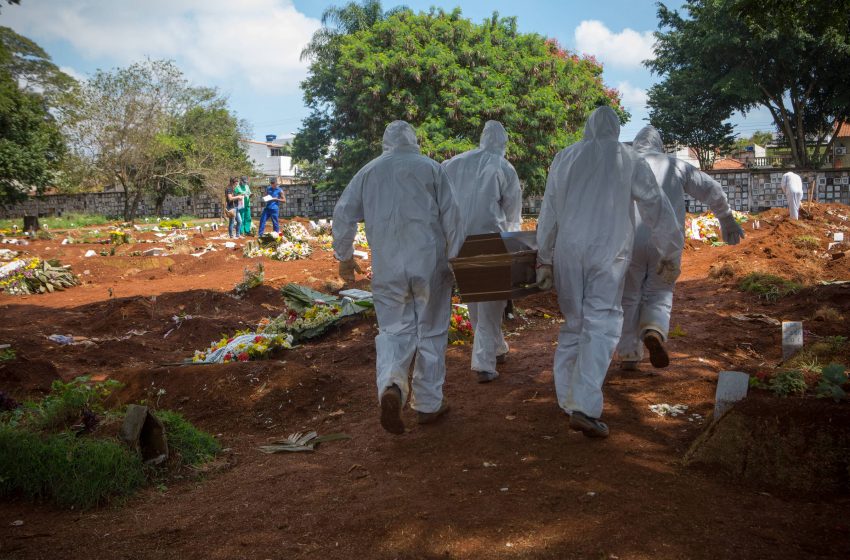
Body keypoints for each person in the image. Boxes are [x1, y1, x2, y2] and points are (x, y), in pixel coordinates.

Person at [535, 106, 682, 439]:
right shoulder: (628, 158)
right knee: (601, 324)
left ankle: (567, 400)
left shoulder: (565, 157)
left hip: (568, 253)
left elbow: (549, 210)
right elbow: (655, 206)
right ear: (616, 130)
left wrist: (543, 258)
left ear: (587, 127)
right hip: (609, 252)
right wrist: (670, 250)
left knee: (574, 323)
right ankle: (584, 406)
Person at [333, 120, 463, 435]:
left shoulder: (368, 172)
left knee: (393, 331)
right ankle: (429, 404)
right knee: (431, 330)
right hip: (429, 264)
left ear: (385, 141)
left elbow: (343, 213)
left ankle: (392, 386)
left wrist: (345, 257)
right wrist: (457, 259)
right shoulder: (431, 168)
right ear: (413, 140)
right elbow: (453, 217)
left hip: (388, 267)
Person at [617, 126, 745, 371]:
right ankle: (653, 329)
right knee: (660, 290)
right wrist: (725, 217)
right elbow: (711, 189)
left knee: (629, 295)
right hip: (666, 240)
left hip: (628, 240)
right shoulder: (675, 165)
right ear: (659, 144)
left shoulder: (624, 165)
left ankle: (629, 355)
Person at [442, 120, 522, 383]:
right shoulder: (503, 167)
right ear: (503, 142)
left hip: (457, 242)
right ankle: (484, 364)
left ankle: (498, 349)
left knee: (478, 301)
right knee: (491, 303)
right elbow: (512, 216)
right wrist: (515, 249)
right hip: (490, 241)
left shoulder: (453, 163)